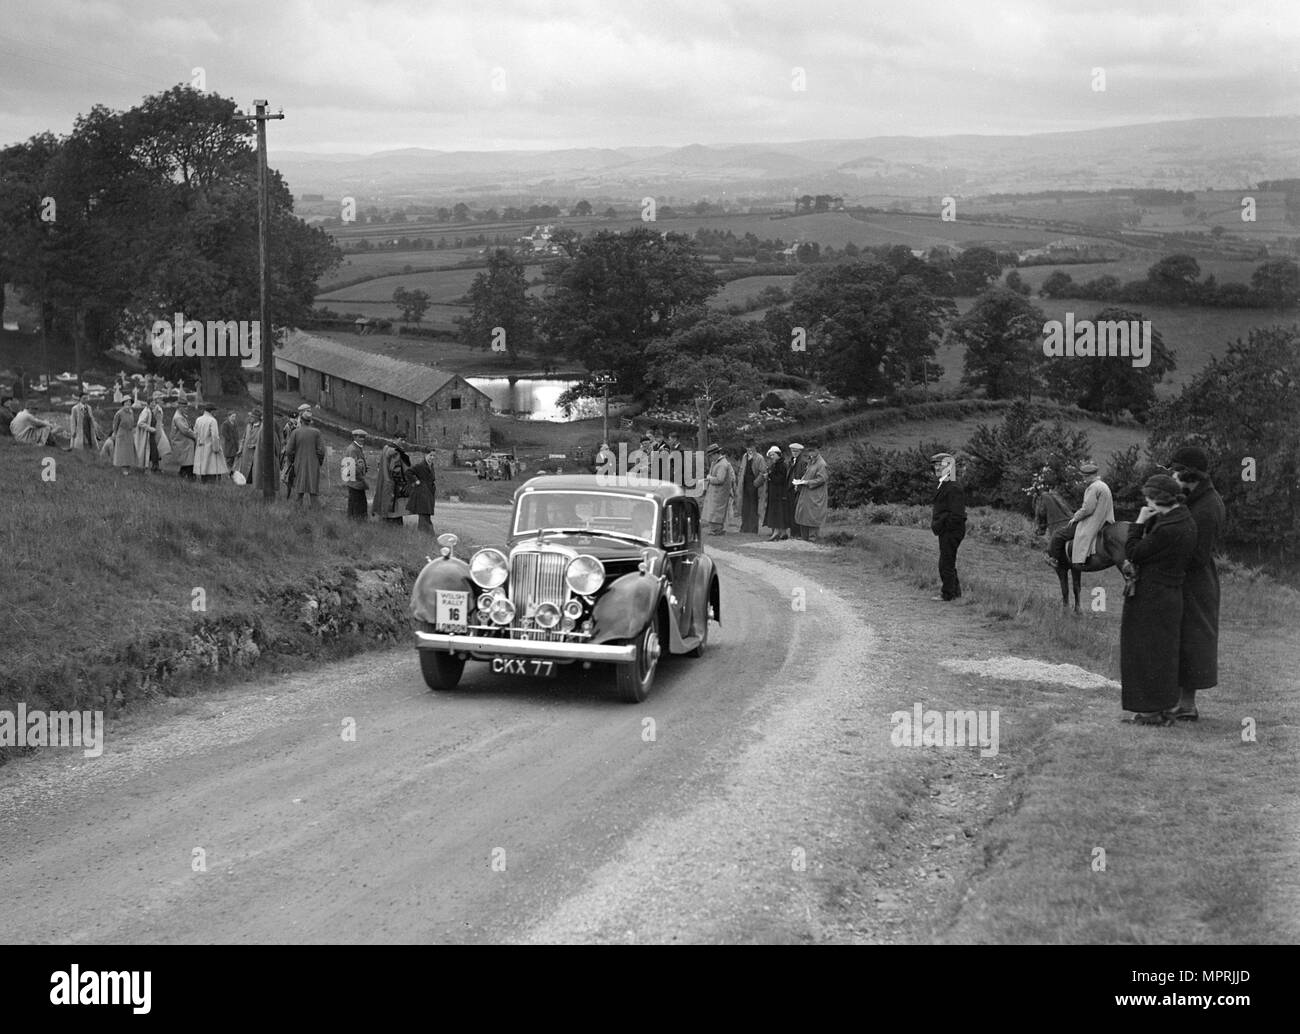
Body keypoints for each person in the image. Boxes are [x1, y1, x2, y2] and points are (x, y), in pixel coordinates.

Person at [1120, 474, 1199, 725]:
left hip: (1151, 597)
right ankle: (1162, 708)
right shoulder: (1185, 520)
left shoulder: (1167, 528)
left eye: (1148, 497)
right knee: (1163, 654)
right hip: (1170, 594)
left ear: (1158, 498)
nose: (1146, 501)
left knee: (1144, 652)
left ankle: (1150, 712)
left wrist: (1139, 523)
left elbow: (1134, 552)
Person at [1167, 446, 1226, 721]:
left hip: (1196, 582)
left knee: (1192, 640)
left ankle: (1187, 705)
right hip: (1190, 580)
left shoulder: (1208, 506)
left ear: (1190, 474)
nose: (1173, 476)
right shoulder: (1198, 499)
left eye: (1176, 471)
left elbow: (1198, 554)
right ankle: (1181, 702)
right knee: (1183, 638)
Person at [930, 452, 966, 601]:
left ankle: (948, 594)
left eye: (941, 465)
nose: (937, 468)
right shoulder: (944, 484)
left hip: (951, 530)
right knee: (947, 561)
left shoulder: (953, 487)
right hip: (946, 530)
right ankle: (955, 592)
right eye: (935, 465)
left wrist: (944, 525)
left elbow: (957, 514)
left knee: (946, 563)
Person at [1066, 462, 1114, 568]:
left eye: (1084, 477)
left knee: (1078, 534)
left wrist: (1076, 517)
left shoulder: (1093, 488)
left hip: (1095, 520)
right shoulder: (1103, 485)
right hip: (1106, 519)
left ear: (1090, 476)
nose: (1084, 480)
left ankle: (1079, 561)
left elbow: (1088, 509)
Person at [285, 410, 326, 508]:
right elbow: (321, 451)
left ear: (301, 420)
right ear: (310, 421)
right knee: (313, 492)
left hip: (299, 463)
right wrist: (319, 462)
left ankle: (297, 514)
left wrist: (293, 460)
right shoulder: (317, 433)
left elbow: (289, 450)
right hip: (314, 464)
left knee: (299, 491)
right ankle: (315, 515)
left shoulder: (295, 432)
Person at [793, 439, 829, 541]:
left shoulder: (821, 464)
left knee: (813, 516)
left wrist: (807, 482)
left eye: (813, 451)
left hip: (815, 494)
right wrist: (800, 482)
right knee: (803, 514)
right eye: (809, 451)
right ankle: (804, 538)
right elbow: (807, 474)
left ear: (817, 450)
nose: (811, 453)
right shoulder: (811, 461)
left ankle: (813, 538)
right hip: (806, 493)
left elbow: (822, 479)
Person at [372, 433, 412, 523]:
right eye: (401, 439)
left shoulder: (386, 447)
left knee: (385, 504)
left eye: (405, 440)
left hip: (385, 481)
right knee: (393, 508)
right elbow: (396, 471)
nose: (403, 442)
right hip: (392, 483)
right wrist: (404, 483)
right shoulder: (395, 451)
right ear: (395, 438)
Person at [735, 438, 767, 534]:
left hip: (754, 485)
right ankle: (744, 527)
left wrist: (756, 483)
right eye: (748, 447)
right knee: (745, 507)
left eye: (751, 447)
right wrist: (739, 481)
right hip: (744, 484)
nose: (749, 449)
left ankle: (753, 529)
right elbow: (741, 470)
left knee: (753, 508)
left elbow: (763, 472)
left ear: (754, 447)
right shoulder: (744, 456)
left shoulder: (759, 458)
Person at [702, 442, 735, 534]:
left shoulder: (722, 464)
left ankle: (717, 529)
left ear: (716, 454)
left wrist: (710, 478)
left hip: (720, 492)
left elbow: (720, 479)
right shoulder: (716, 463)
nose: (710, 458)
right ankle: (715, 529)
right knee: (713, 510)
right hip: (715, 491)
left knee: (717, 511)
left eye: (711, 455)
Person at [760, 445, 791, 540]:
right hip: (776, 493)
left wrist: (769, 476)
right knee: (779, 512)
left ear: (778, 454)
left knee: (777, 512)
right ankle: (783, 532)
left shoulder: (781, 465)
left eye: (772, 455)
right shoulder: (777, 464)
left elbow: (780, 479)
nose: (771, 457)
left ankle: (777, 533)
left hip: (779, 493)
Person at [193, 403, 228, 484]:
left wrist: (198, 442)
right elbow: (215, 436)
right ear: (212, 412)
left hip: (200, 446)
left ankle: (203, 482)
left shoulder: (198, 419)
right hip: (210, 447)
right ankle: (210, 484)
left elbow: (195, 433)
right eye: (214, 411)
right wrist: (216, 448)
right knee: (211, 467)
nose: (215, 413)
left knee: (203, 467)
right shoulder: (212, 420)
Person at [407, 449, 438, 534]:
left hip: (429, 491)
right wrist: (416, 480)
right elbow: (409, 472)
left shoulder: (431, 465)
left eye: (434, 456)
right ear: (425, 455)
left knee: (426, 513)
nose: (432, 457)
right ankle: (426, 533)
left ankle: (426, 533)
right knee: (424, 512)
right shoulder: (420, 465)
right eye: (430, 455)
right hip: (422, 492)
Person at [342, 429, 370, 520]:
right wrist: (363, 480)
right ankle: (358, 522)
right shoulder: (353, 449)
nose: (362, 439)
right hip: (355, 481)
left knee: (356, 503)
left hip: (355, 481)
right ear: (354, 437)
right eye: (360, 437)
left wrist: (365, 467)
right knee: (357, 504)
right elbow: (354, 467)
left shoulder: (357, 448)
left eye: (363, 437)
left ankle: (354, 521)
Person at [171, 399, 197, 480]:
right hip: (182, 442)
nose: (186, 409)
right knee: (188, 460)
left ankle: (183, 474)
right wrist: (195, 436)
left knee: (186, 460)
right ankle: (190, 476)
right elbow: (185, 430)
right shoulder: (178, 417)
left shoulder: (181, 415)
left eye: (187, 407)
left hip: (184, 441)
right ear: (179, 407)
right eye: (184, 407)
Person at [110, 398, 137, 473]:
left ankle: (128, 466)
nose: (128, 404)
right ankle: (124, 468)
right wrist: (114, 433)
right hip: (122, 433)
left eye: (130, 402)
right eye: (126, 402)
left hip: (129, 434)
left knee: (129, 451)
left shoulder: (131, 412)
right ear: (123, 403)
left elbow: (132, 422)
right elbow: (115, 424)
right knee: (123, 451)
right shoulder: (119, 413)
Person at [787, 443, 808, 538]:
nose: (794, 453)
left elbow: (803, 475)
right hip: (791, 489)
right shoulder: (792, 461)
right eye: (792, 451)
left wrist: (798, 485)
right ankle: (793, 533)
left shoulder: (802, 462)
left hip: (798, 489)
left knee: (797, 511)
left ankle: (798, 534)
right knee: (791, 511)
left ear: (800, 452)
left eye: (796, 451)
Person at [148, 393, 171, 472]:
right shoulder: (156, 408)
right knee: (157, 446)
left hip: (160, 427)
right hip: (157, 428)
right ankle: (155, 465)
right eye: (160, 399)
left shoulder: (159, 408)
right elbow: (154, 418)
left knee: (160, 446)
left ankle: (156, 465)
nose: (162, 400)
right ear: (157, 400)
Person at [221, 410, 240, 476]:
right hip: (229, 444)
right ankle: (228, 473)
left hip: (235, 444)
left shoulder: (235, 423)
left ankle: (232, 473)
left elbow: (237, 433)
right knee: (229, 459)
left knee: (234, 459)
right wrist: (229, 438)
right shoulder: (225, 424)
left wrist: (237, 439)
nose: (234, 418)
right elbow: (223, 433)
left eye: (235, 416)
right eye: (232, 416)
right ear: (229, 417)